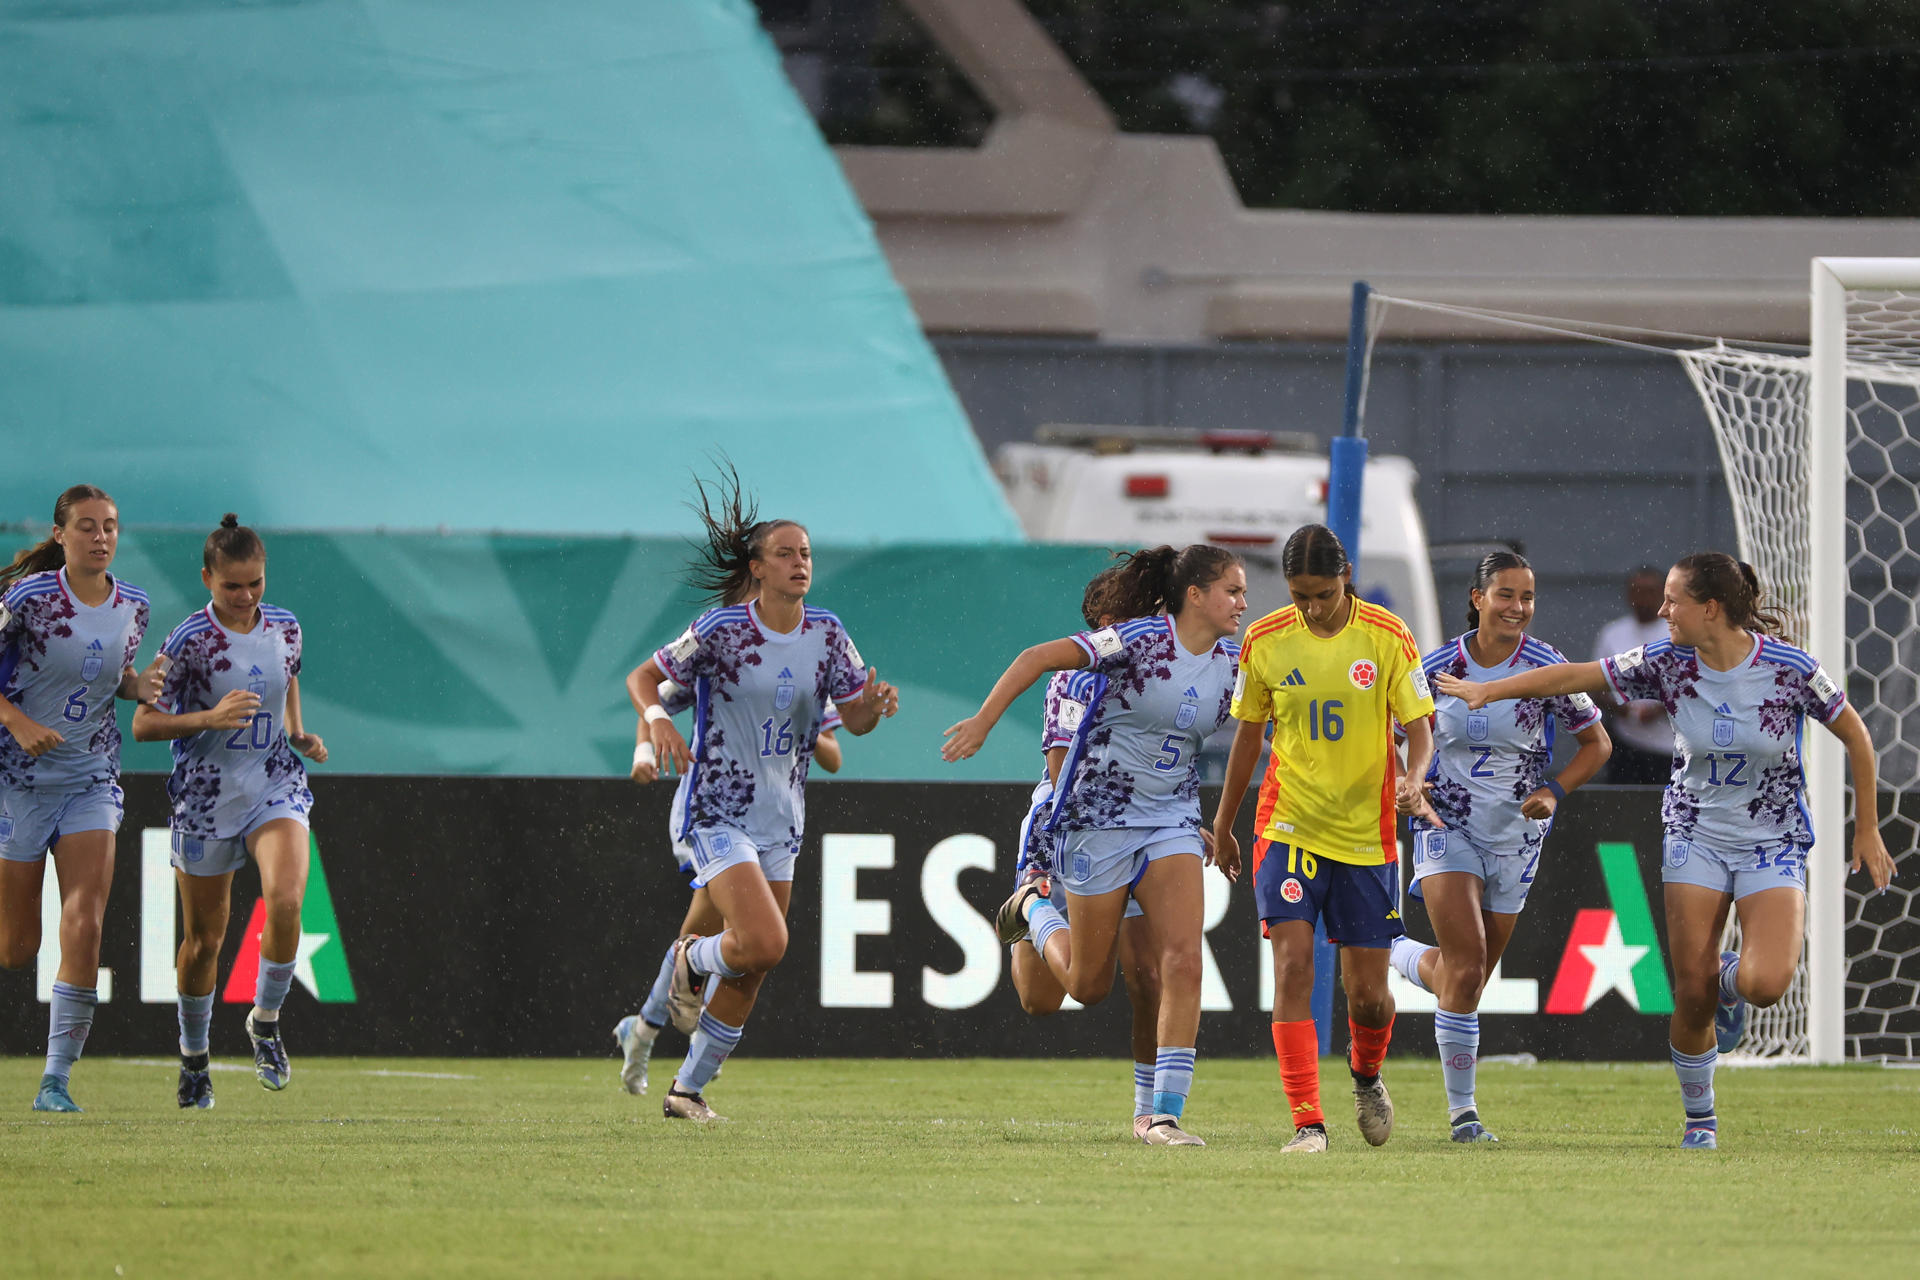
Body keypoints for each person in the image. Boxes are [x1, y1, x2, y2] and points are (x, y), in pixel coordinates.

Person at [1437, 552, 1896, 1149]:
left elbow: (1856, 734)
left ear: (1710, 609)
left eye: (1673, 600)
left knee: (1764, 984)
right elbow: (1573, 677)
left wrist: (1867, 828)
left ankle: (1729, 979)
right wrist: (1488, 691)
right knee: (1691, 989)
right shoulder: (1665, 661)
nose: (1661, 611)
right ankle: (1700, 1121)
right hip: (1694, 832)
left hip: (1772, 839)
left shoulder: (1789, 668)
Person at [945, 544, 1246, 1147]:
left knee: (1176, 964)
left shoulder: (1238, 661)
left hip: (1171, 819)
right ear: (1195, 596)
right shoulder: (1120, 649)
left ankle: (1161, 1115)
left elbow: (1282, 711)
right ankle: (1031, 908)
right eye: (1233, 591)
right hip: (1093, 818)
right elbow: (1046, 706)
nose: (1243, 602)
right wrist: (982, 721)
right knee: (1081, 988)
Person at [629, 470, 897, 1122]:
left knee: (752, 966)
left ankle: (687, 1092)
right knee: (765, 941)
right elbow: (644, 676)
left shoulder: (829, 633)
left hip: (782, 817)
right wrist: (656, 722)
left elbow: (852, 723)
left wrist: (874, 708)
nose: (799, 563)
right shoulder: (721, 629)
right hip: (715, 806)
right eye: (785, 554)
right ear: (757, 568)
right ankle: (689, 961)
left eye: (805, 553)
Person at [1209, 523, 1436, 1155]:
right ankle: (1308, 1123)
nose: (1312, 606)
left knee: (1368, 998)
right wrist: (1225, 823)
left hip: (1367, 836)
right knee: (1291, 969)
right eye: (1300, 594)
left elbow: (1421, 728)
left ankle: (1366, 1076)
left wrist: (1415, 780)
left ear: (1347, 577)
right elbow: (1248, 739)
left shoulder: (1388, 635)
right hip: (1289, 825)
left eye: (1324, 594)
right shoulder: (1264, 639)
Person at [1389, 551, 1611, 1142]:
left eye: (1528, 598)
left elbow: (1598, 744)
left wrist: (1554, 789)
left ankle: (1396, 953)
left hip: (1516, 834)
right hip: (1446, 826)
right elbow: (1390, 739)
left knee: (1467, 977)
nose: (1519, 608)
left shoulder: (1547, 666)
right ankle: (1464, 1116)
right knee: (1464, 964)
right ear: (1477, 598)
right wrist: (1408, 785)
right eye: (1506, 595)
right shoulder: (1434, 669)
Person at [132, 516, 326, 1107]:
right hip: (206, 798)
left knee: (288, 899)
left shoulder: (286, 627)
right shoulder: (187, 641)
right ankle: (195, 1060)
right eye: (231, 587)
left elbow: (287, 676)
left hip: (273, 785)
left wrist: (296, 731)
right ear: (207, 578)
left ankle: (264, 1022)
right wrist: (209, 718)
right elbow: (143, 723)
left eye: (255, 585)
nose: (245, 598)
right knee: (203, 942)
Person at [0, 484, 163, 1113]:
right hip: (18, 781)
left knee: (87, 918)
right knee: (17, 951)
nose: (102, 537)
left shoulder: (135, 607)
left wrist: (136, 685)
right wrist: (16, 722)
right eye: (88, 527)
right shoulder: (28, 600)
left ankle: (55, 1082)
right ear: (61, 535)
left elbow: (112, 675)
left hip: (90, 778)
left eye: (111, 527)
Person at [612, 663, 841, 1097]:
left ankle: (641, 1031)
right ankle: (670, 1038)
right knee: (715, 930)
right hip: (713, 811)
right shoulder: (727, 655)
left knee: (707, 933)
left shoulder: (810, 666)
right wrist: (644, 751)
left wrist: (802, 724)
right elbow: (652, 699)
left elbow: (832, 755)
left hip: (771, 820)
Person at [1006, 567, 1163, 1140]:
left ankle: (1151, 1111)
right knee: (1045, 999)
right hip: (1073, 832)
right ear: (1105, 626)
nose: (1152, 626)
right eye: (1136, 614)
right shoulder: (1073, 680)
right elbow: (1061, 774)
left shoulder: (1163, 673)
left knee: (1148, 973)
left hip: (1141, 831)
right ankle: (1031, 910)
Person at [1593, 567, 1673, 784]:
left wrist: (1660, 709)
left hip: (1670, 747)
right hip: (1625, 744)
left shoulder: (1676, 633)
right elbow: (1596, 687)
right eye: (1637, 591)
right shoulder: (1612, 632)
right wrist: (1620, 707)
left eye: (1649, 591)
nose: (1643, 598)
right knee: (1624, 806)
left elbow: (1691, 685)